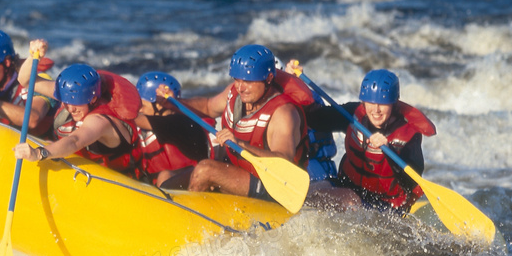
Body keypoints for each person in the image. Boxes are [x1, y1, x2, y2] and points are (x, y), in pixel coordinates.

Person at [177, 44, 314, 202]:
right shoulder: (234, 93)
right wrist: (172, 104)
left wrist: (240, 144)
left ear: (268, 78)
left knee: (205, 170)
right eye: (237, 79)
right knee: (170, 181)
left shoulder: (283, 114)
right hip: (242, 174)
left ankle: (192, 220)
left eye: (248, 81)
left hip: (273, 187)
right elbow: (208, 106)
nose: (240, 88)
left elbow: (283, 162)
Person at [306, 68, 436, 214]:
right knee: (310, 191)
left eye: (383, 104)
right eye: (370, 103)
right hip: (349, 186)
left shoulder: (408, 133)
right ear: (363, 102)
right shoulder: (353, 114)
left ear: (394, 103)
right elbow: (316, 120)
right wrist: (294, 80)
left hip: (386, 205)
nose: (376, 110)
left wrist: (388, 150)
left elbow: (411, 181)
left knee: (346, 200)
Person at [13, 62, 144, 179]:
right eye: (66, 102)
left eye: (76, 103)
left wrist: (39, 153)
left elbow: (74, 141)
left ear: (93, 100)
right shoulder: (71, 93)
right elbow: (26, 80)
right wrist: (33, 54)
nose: (70, 109)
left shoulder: (99, 121)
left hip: (121, 182)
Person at [133, 71, 210, 189]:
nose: (140, 110)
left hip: (190, 186)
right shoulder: (147, 127)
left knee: (164, 175)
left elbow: (132, 118)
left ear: (159, 105)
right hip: (157, 188)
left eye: (142, 105)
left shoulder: (180, 122)